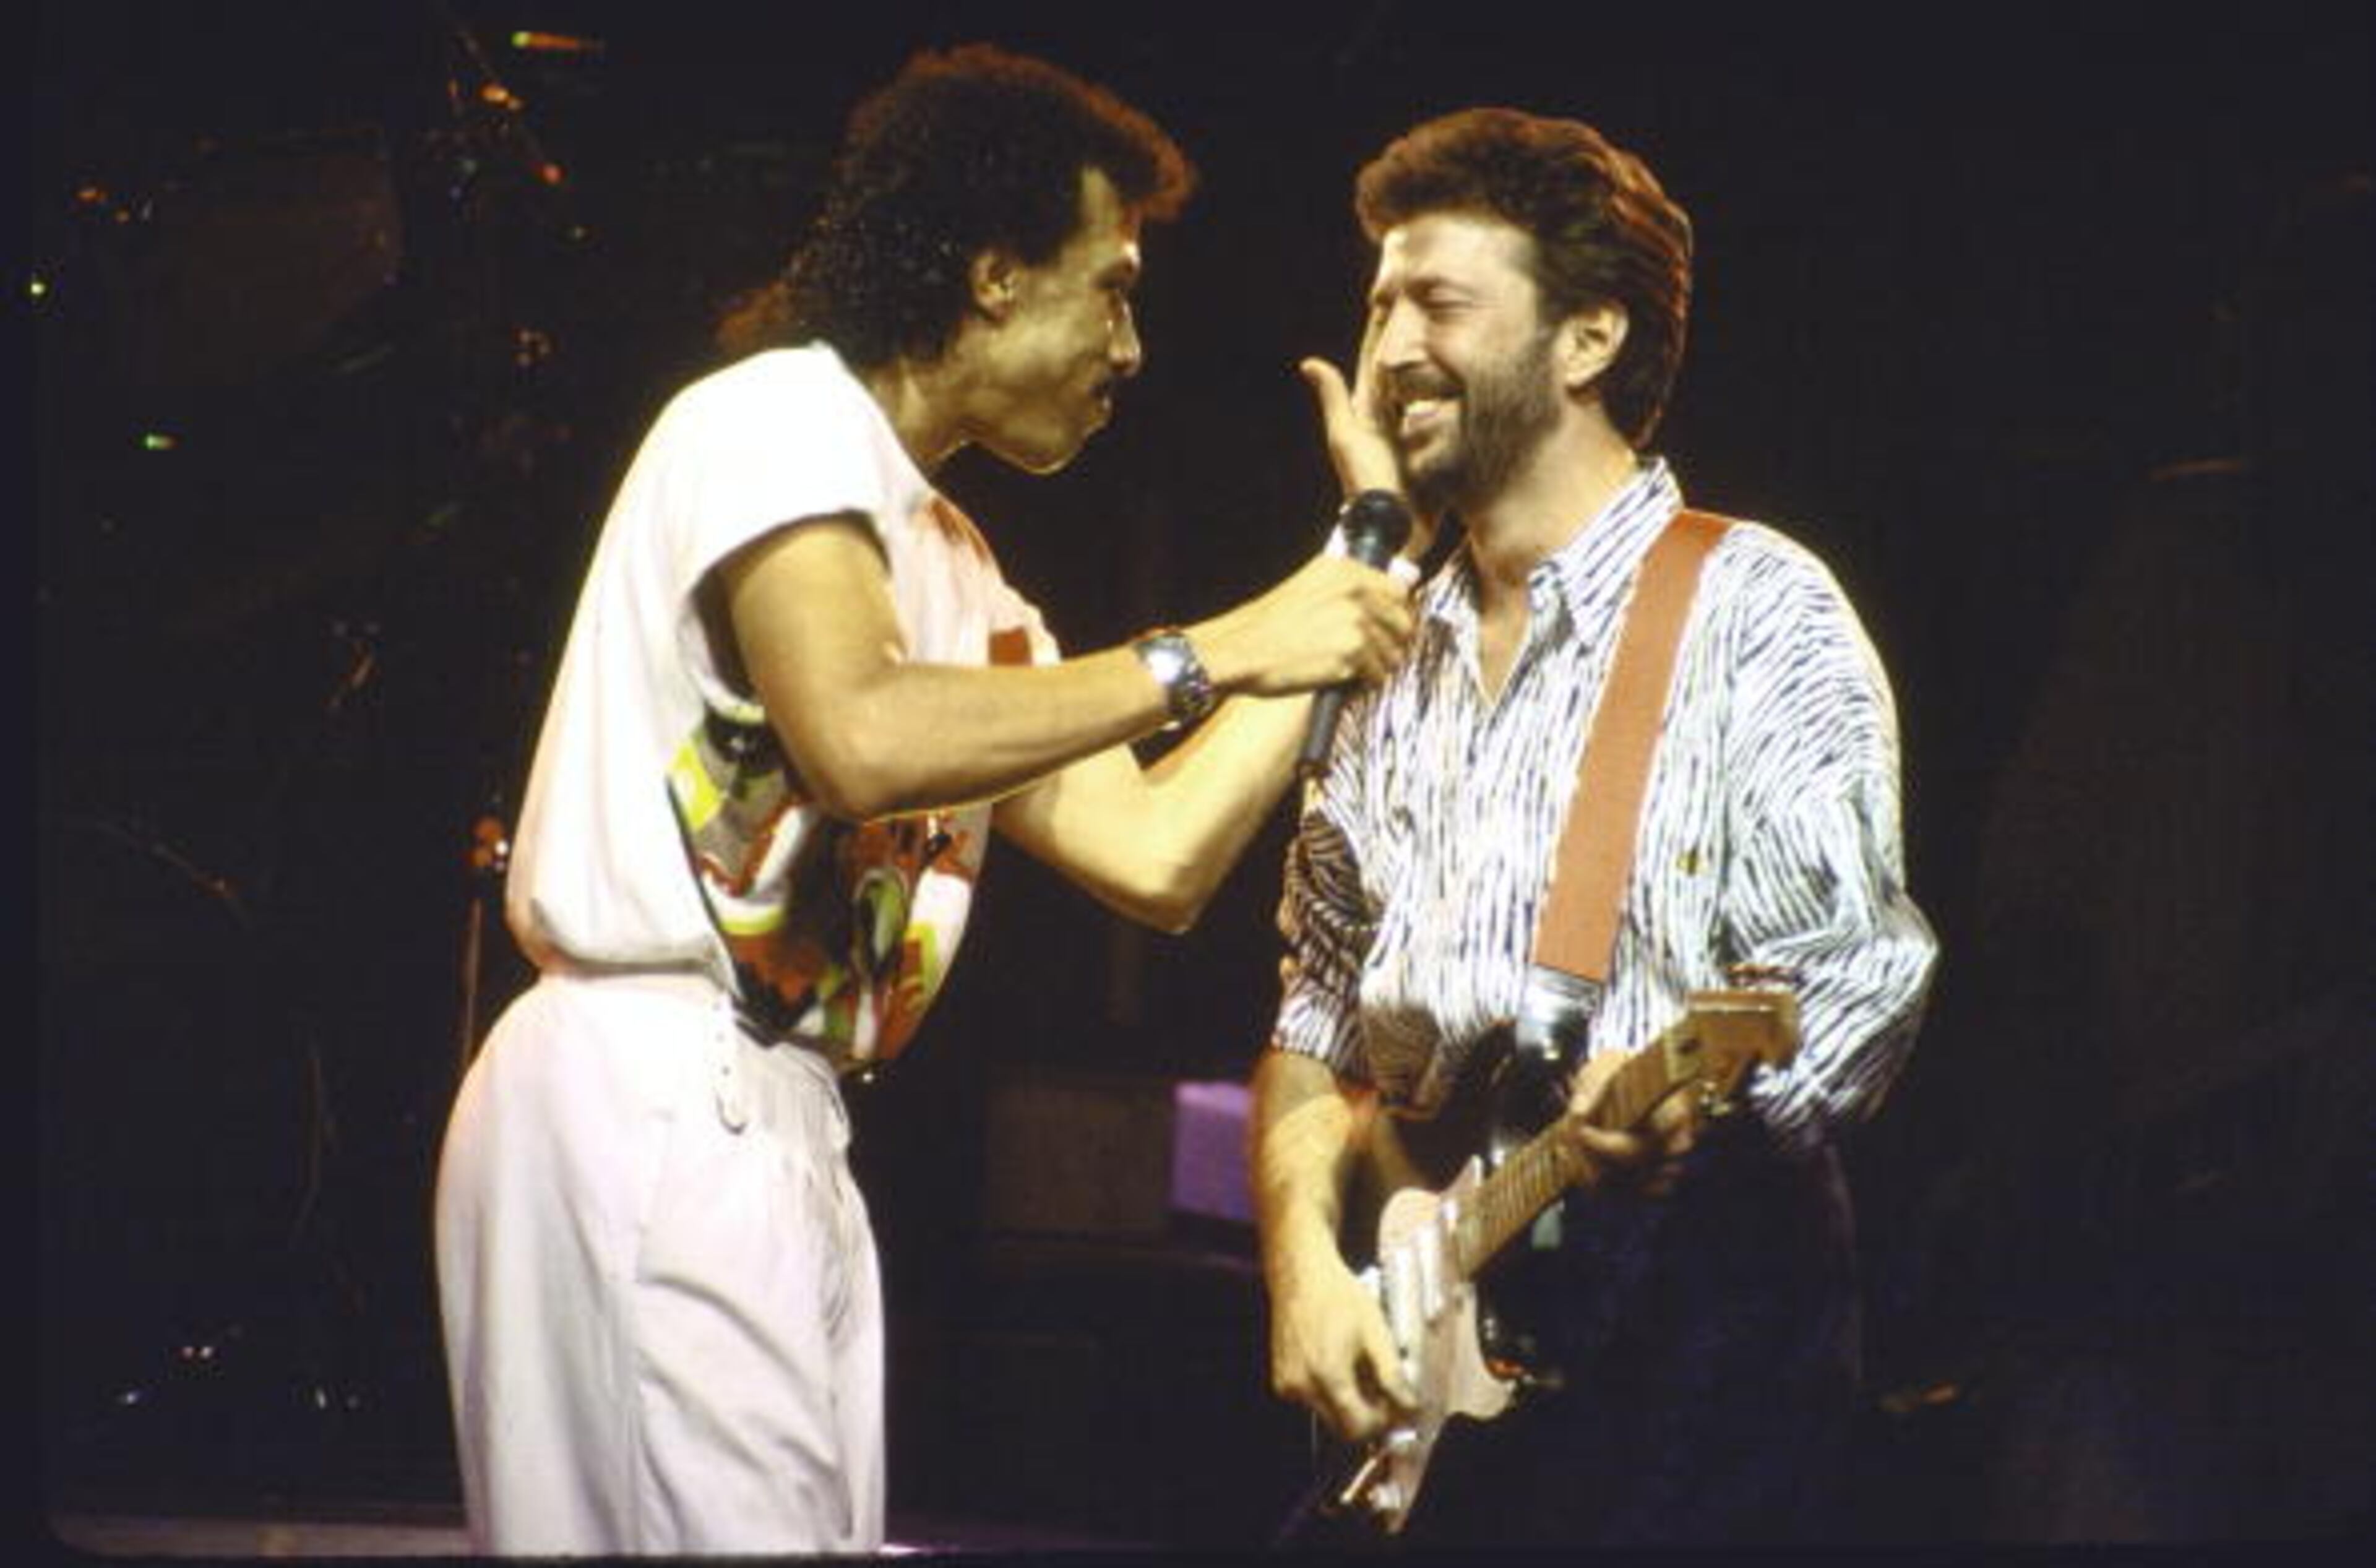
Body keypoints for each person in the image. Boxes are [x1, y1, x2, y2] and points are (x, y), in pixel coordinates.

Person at [432, 44, 1415, 1556]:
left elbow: (1155, 853)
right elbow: (862, 736)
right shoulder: (774, 421)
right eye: (1115, 287)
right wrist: (1219, 647)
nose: (1132, 348)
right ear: (995, 277)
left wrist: (1363, 560)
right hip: (651, 1082)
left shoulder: (953, 564)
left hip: (781, 1116)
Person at [1251, 106, 1939, 1547]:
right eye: (1379, 305)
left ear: (1588, 340)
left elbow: (1855, 973)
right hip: (1436, 1403)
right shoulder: (1381, 652)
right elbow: (1315, 1021)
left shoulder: (1756, 610)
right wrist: (1306, 1269)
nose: (1388, 351)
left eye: (1440, 301)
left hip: (1692, 1374)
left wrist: (1701, 1098)